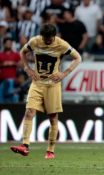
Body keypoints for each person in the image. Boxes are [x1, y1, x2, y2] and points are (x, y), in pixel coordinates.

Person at [10, 24, 82, 159]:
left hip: (52, 85)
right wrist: (27, 69)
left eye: (49, 38)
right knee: (29, 112)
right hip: (37, 83)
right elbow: (22, 52)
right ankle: (25, 146)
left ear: (54, 36)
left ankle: (50, 150)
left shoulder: (61, 44)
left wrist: (64, 73)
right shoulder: (35, 41)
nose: (47, 41)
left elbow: (78, 57)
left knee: (53, 118)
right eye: (45, 38)